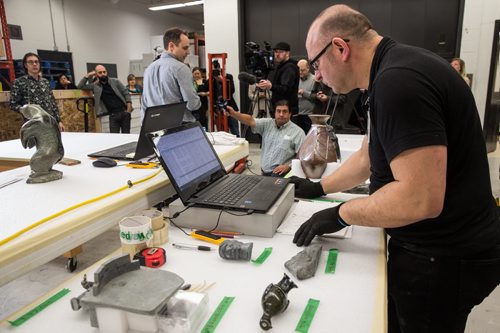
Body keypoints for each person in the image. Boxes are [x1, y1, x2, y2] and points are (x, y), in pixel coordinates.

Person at [290, 5, 500, 333]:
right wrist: (320, 188)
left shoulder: (398, 83)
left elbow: (420, 200)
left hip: (444, 258)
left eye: (316, 63)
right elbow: (370, 155)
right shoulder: (392, 69)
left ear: (340, 48)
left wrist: (342, 213)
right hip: (442, 249)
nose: (317, 75)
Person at [226, 100, 305, 177]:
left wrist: (288, 166)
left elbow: (303, 156)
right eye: (278, 111)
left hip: (281, 174)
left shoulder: (298, 132)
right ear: (274, 113)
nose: (281, 114)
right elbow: (250, 120)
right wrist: (233, 113)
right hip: (264, 172)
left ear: (290, 113)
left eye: (284, 111)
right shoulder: (267, 124)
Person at [141, 28, 201, 123]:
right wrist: (197, 100)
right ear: (171, 46)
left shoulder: (149, 69)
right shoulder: (181, 68)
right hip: (179, 126)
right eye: (185, 48)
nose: (188, 52)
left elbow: (144, 103)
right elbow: (192, 104)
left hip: (155, 127)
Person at [10, 52, 65, 132]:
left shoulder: (45, 82)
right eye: (31, 62)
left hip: (50, 123)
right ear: (25, 65)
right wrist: (26, 110)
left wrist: (59, 121)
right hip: (34, 125)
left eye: (36, 62)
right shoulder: (19, 82)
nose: (34, 64)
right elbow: (13, 104)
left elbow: (52, 103)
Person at [77, 65, 132, 133]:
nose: (103, 74)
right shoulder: (95, 86)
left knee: (126, 136)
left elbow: (126, 92)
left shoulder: (115, 81)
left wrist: (128, 110)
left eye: (104, 72)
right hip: (113, 115)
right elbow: (80, 86)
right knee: (114, 138)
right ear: (96, 74)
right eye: (100, 72)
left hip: (124, 112)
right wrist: (88, 75)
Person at [257, 42, 299, 118]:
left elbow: (285, 89)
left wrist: (271, 86)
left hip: (286, 112)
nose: (277, 54)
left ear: (287, 53)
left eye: (280, 52)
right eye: (276, 52)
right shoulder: (282, 66)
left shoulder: (289, 68)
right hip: (282, 110)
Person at [296, 59, 317, 133]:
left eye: (302, 70)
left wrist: (304, 93)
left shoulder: (315, 79)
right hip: (297, 115)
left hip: (310, 116)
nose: (300, 72)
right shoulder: (295, 79)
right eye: (298, 70)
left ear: (308, 68)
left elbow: (317, 97)